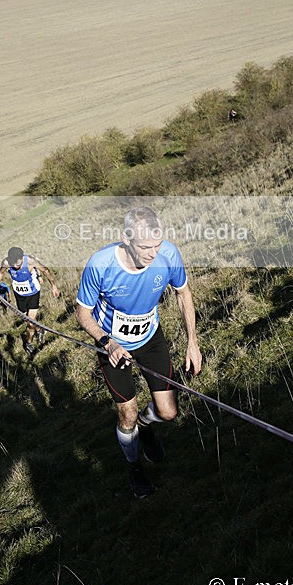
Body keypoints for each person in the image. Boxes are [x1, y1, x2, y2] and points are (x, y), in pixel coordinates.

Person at [76, 206, 202, 498]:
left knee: (168, 412)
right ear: (126, 239)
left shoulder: (168, 255)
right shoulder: (101, 264)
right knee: (127, 412)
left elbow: (183, 294)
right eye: (145, 247)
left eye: (157, 245)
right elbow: (83, 314)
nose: (152, 254)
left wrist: (192, 341)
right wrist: (107, 341)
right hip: (113, 346)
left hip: (150, 338)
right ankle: (134, 468)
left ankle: (147, 427)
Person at [0, 247, 60, 357]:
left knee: (30, 322)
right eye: (13, 262)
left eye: (18, 262)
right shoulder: (6, 262)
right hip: (19, 294)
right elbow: (1, 272)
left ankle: (29, 343)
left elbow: (46, 270)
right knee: (26, 319)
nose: (15, 265)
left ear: (22, 258)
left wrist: (53, 286)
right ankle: (40, 329)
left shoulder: (30, 261)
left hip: (33, 292)